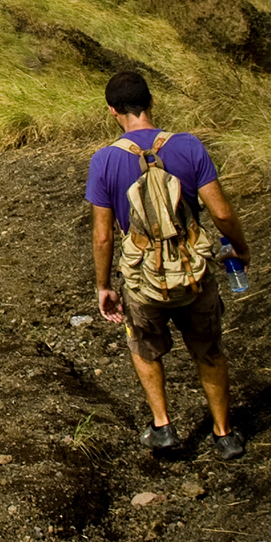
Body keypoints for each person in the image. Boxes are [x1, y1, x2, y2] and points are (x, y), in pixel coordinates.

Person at [86, 70, 251, 459]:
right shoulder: (189, 147)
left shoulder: (105, 160)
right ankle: (224, 434)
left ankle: (163, 427)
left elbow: (103, 235)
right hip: (193, 272)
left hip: (144, 278)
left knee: (144, 348)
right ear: (151, 102)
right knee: (209, 349)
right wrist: (240, 248)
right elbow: (222, 213)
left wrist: (103, 285)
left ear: (113, 111)